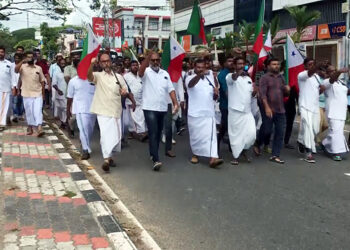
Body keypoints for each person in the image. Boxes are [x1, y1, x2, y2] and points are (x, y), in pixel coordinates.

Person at [87, 52, 135, 172]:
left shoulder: (118, 77)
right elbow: (89, 77)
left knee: (116, 137)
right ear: (100, 63)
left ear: (111, 62)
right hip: (102, 110)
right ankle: (106, 160)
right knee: (105, 135)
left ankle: (110, 156)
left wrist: (125, 94)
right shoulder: (98, 75)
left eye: (108, 61)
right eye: (103, 61)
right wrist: (91, 64)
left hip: (115, 110)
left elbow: (125, 90)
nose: (106, 63)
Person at [138, 52, 179, 171]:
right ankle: (156, 159)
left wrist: (175, 103)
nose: (155, 62)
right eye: (153, 60)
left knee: (158, 132)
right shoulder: (146, 72)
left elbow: (171, 90)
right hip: (149, 108)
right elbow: (140, 72)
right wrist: (147, 57)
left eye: (157, 60)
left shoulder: (165, 73)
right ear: (150, 61)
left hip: (162, 108)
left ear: (160, 60)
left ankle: (152, 153)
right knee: (153, 132)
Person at [186, 58, 224, 168]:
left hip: (209, 113)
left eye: (202, 68)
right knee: (196, 137)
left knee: (211, 137)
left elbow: (214, 97)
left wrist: (216, 93)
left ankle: (213, 158)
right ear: (194, 67)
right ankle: (195, 154)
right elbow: (190, 85)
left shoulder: (210, 79)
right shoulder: (189, 77)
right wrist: (199, 75)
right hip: (195, 113)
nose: (200, 70)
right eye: (198, 68)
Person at [254, 58, 290, 164]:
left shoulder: (281, 78)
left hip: (280, 109)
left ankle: (275, 155)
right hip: (268, 108)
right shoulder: (264, 78)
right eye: (274, 64)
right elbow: (262, 94)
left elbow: (285, 94)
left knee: (280, 132)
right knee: (267, 130)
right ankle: (258, 143)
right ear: (268, 66)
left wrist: (287, 90)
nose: (276, 66)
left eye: (277, 64)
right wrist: (266, 107)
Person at [226, 57, 256, 165]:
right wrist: (238, 73)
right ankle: (236, 156)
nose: (241, 65)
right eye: (239, 64)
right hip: (235, 111)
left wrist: (255, 92)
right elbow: (233, 78)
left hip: (247, 112)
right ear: (234, 65)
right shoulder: (230, 76)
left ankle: (243, 150)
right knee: (236, 136)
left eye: (243, 63)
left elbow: (251, 95)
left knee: (252, 134)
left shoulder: (248, 79)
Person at [297, 63, 327, 163]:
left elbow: (315, 92)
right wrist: (317, 66)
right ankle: (308, 152)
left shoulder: (317, 77)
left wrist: (321, 90)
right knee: (308, 128)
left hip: (315, 107)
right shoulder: (302, 75)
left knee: (315, 128)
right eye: (310, 64)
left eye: (313, 64)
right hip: (304, 106)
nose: (312, 66)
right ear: (305, 66)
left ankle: (301, 140)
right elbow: (310, 72)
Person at [284, 58, 314, 149]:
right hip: (281, 105)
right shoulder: (283, 77)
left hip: (292, 106)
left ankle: (286, 141)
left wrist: (300, 107)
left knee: (290, 122)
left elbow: (298, 94)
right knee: (280, 124)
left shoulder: (303, 78)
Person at [15, 51, 45, 137]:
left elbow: (42, 81)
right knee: (29, 112)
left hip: (37, 93)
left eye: (31, 57)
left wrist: (43, 94)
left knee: (38, 111)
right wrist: (22, 61)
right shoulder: (22, 67)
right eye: (28, 57)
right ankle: (30, 127)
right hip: (26, 93)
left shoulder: (38, 68)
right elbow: (16, 70)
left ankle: (39, 128)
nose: (30, 58)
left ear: (34, 58)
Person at [322, 68, 350, 161]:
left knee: (336, 131)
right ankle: (336, 152)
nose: (334, 72)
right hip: (333, 111)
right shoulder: (326, 82)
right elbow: (332, 79)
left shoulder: (341, 83)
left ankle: (325, 143)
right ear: (327, 73)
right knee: (336, 131)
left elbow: (346, 92)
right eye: (332, 71)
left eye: (335, 70)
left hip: (342, 111)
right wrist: (339, 71)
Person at [67, 76, 96, 160]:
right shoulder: (73, 81)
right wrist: (68, 109)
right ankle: (85, 150)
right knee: (83, 129)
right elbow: (69, 97)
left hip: (93, 109)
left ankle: (84, 143)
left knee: (89, 130)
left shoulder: (93, 79)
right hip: (80, 109)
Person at [123, 60, 147, 141]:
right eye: (133, 65)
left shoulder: (141, 75)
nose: (135, 66)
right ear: (130, 67)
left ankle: (140, 133)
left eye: (136, 65)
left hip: (141, 100)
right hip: (130, 101)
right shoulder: (126, 76)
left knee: (140, 117)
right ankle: (137, 133)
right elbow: (124, 88)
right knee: (133, 119)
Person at [218, 55, 234, 153]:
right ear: (224, 63)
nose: (231, 62)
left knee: (230, 127)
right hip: (226, 105)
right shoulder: (223, 75)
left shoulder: (235, 73)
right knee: (227, 127)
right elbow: (226, 91)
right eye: (229, 60)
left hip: (235, 106)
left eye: (233, 61)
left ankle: (232, 148)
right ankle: (217, 144)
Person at [0, 46, 16, 131]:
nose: (0, 53)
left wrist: (14, 87)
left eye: (2, 52)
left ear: (4, 53)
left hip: (5, 89)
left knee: (4, 107)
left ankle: (2, 124)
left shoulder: (9, 64)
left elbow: (13, 77)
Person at [64, 52, 80, 137]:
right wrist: (74, 84)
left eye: (78, 57)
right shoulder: (68, 68)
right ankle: (71, 128)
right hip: (72, 94)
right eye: (74, 57)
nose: (76, 59)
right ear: (72, 59)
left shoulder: (83, 68)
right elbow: (67, 78)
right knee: (72, 115)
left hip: (81, 95)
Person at [52, 58, 67, 128]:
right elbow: (54, 84)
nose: (63, 65)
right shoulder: (57, 73)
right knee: (61, 109)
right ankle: (62, 121)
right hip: (60, 94)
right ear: (59, 65)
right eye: (62, 64)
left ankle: (65, 122)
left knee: (66, 109)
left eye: (64, 64)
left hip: (68, 94)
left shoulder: (69, 72)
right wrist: (58, 90)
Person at [11, 53, 24, 123]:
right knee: (15, 101)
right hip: (14, 85)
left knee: (21, 101)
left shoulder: (24, 66)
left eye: (18, 58)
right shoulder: (11, 65)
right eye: (15, 58)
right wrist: (13, 87)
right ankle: (15, 115)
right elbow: (11, 76)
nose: (17, 59)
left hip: (23, 86)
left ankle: (21, 115)